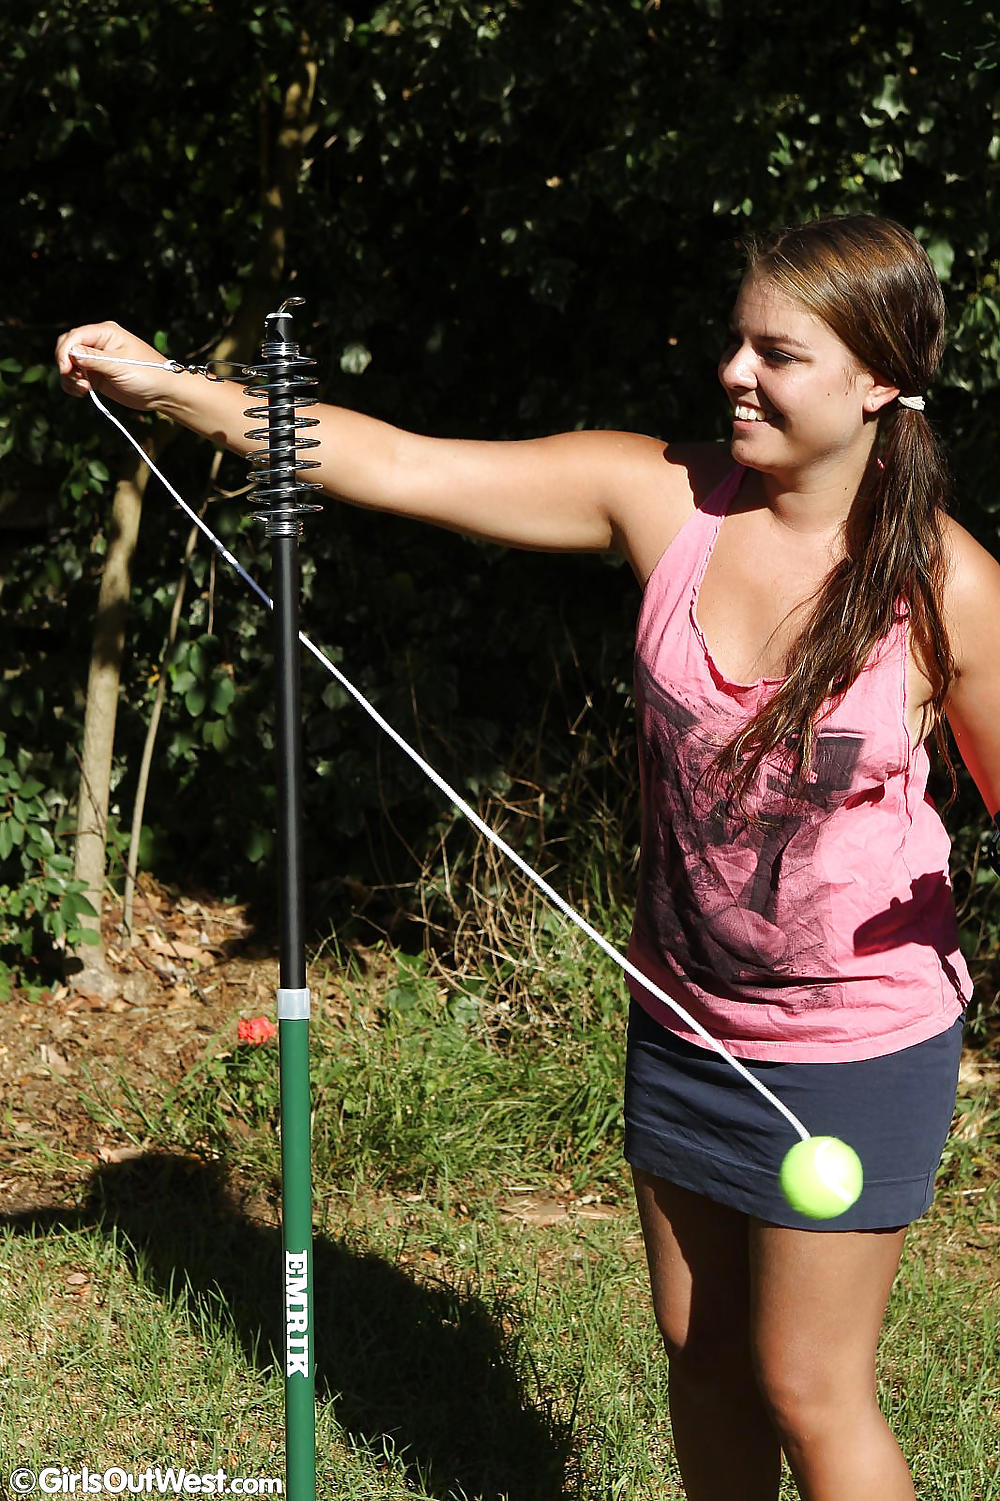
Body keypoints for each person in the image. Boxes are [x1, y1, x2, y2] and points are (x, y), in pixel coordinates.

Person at [56, 214, 1000, 1501]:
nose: (734, 370)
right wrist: (170, 384)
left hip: (853, 1044)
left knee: (808, 1384)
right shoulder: (665, 499)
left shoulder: (945, 586)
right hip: (684, 1014)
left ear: (879, 380)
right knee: (703, 1351)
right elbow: (398, 462)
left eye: (777, 353)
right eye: (736, 340)